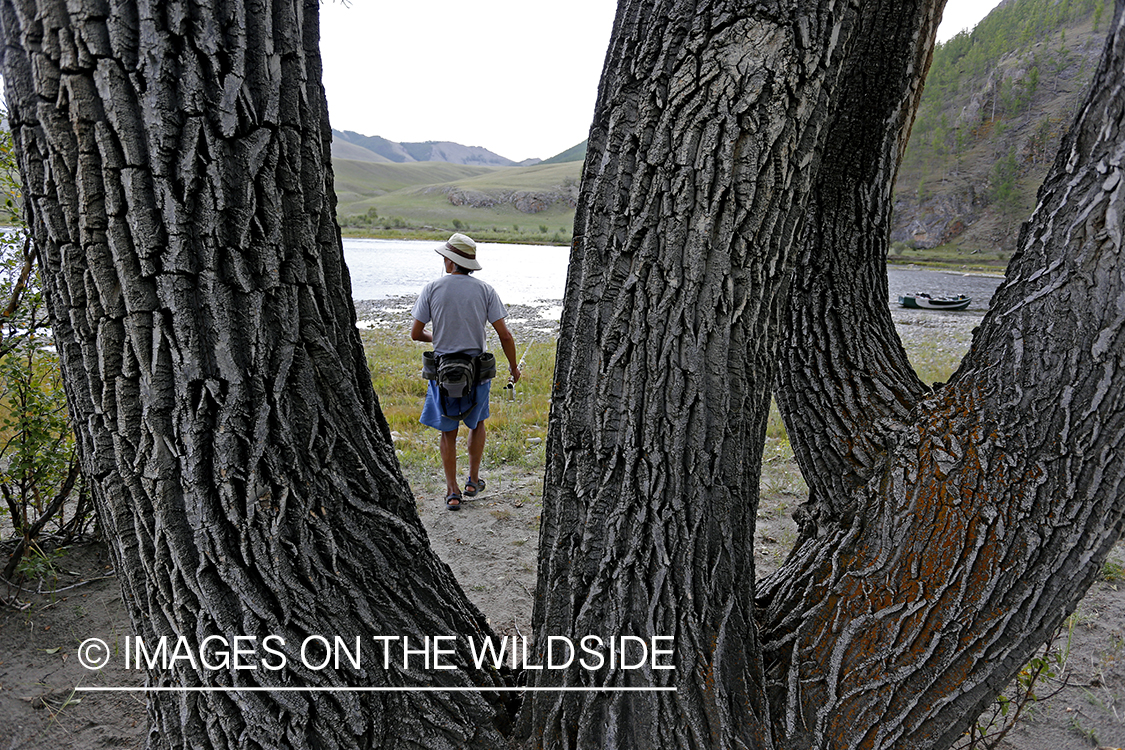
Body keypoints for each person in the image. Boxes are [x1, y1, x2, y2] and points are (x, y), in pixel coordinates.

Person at [410, 233, 521, 510]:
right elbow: (505, 336)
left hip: (442, 372)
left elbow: (415, 333)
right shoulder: (485, 290)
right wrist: (513, 369)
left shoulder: (431, 289)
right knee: (477, 423)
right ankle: (473, 480)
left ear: (450, 262)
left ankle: (452, 491)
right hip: (478, 373)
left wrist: (437, 337)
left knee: (447, 431)